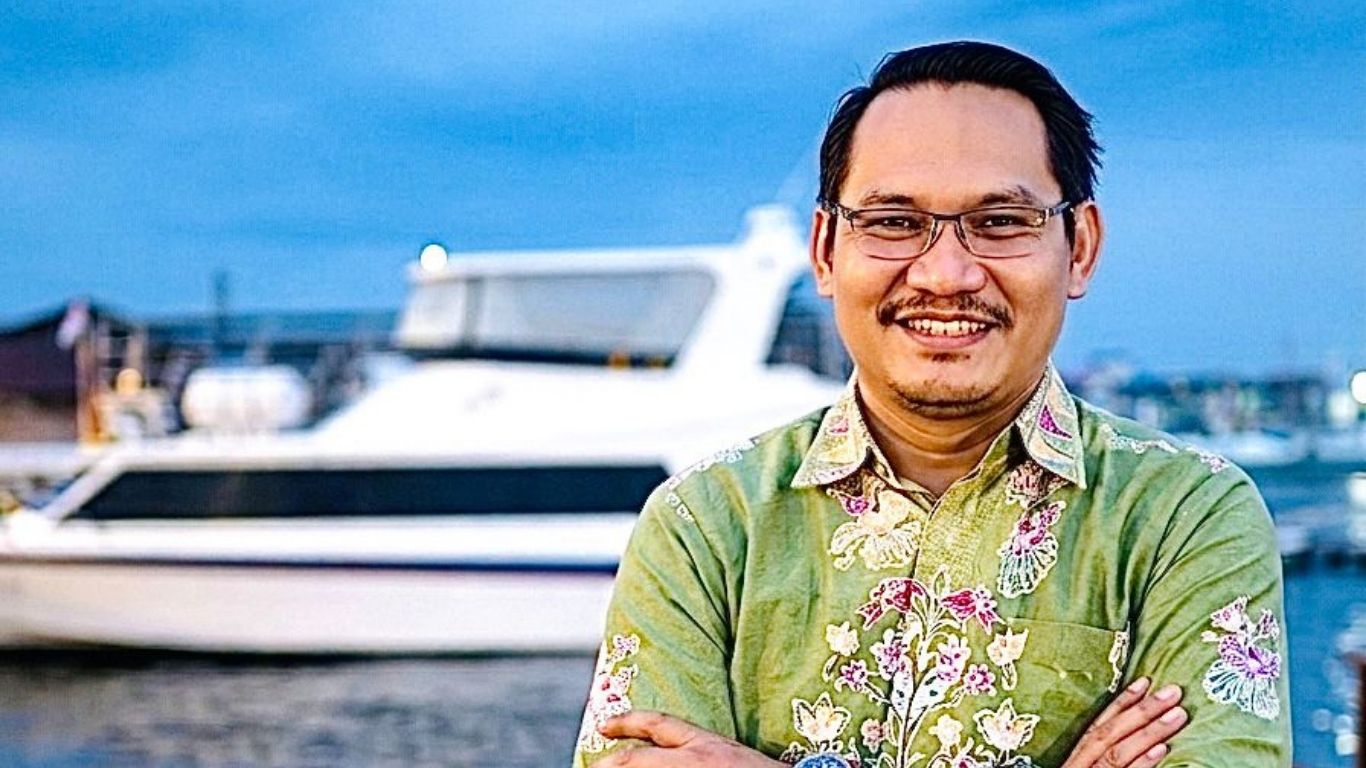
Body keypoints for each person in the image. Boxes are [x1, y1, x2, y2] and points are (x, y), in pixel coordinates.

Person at [572, 41, 1290, 767]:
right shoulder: (707, 526)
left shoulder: (1180, 517)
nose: (945, 274)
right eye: (894, 222)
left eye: (1001, 221)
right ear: (825, 251)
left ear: (1080, 248)